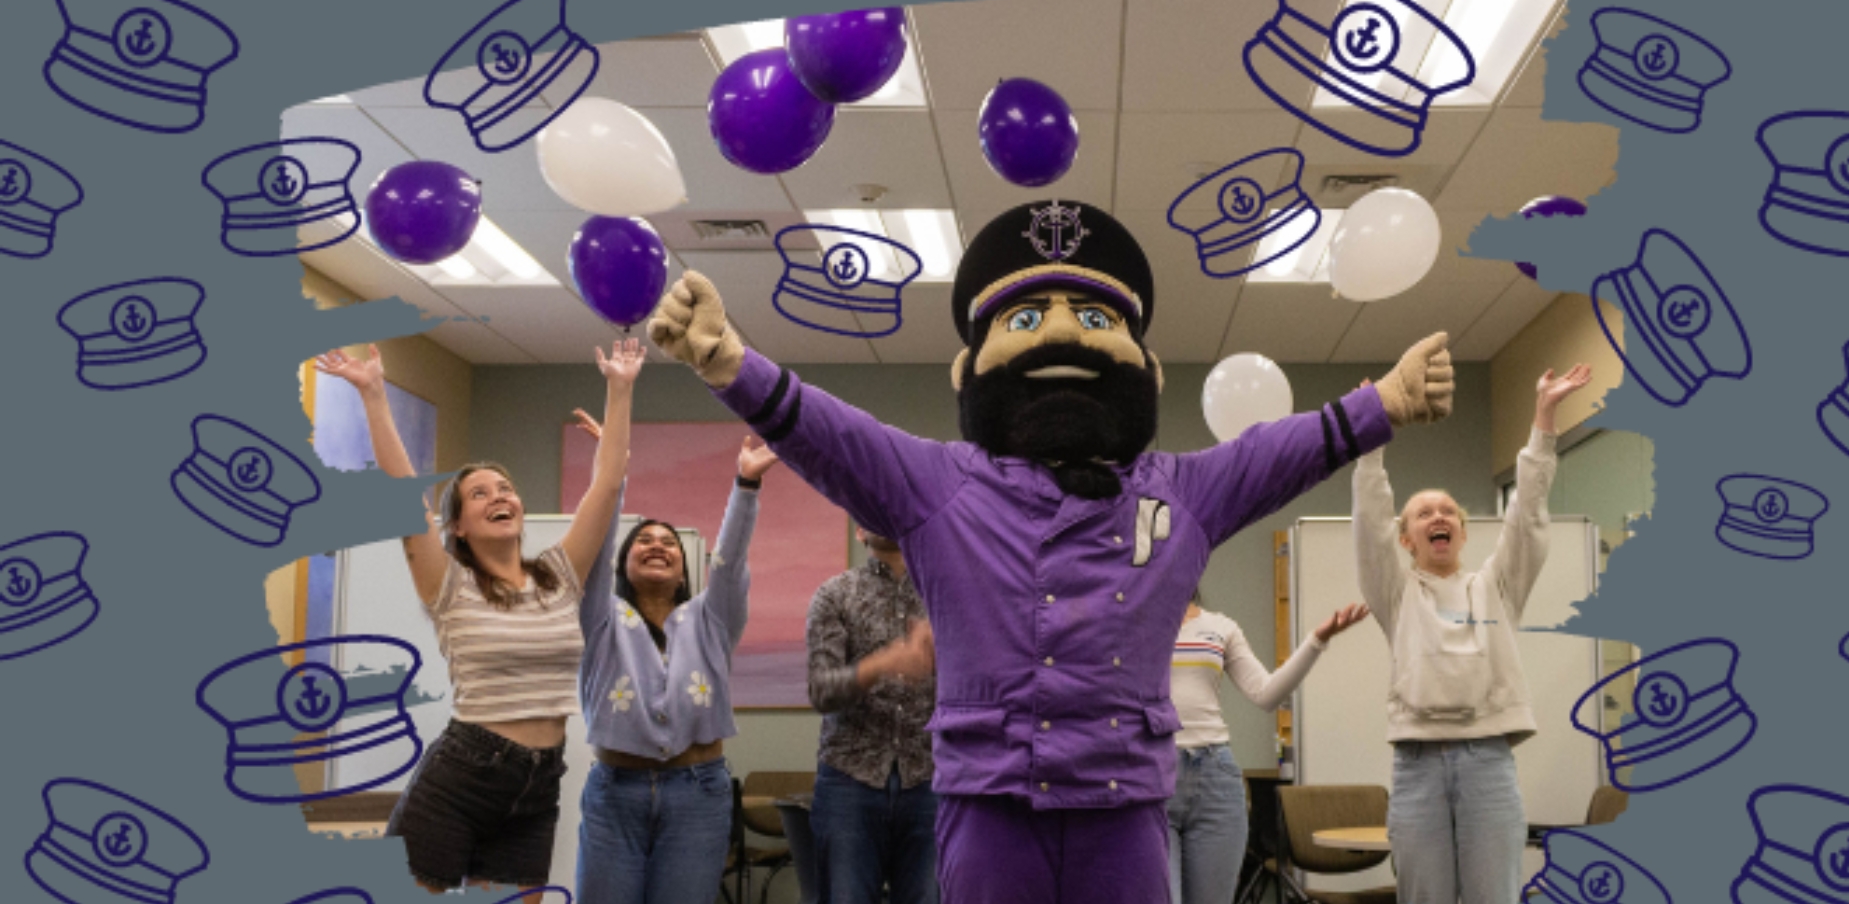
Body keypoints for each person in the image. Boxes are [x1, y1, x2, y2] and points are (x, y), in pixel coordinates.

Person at [645, 199, 1456, 904]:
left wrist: (1379, 403)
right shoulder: (941, 485)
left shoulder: (1180, 490)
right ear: (970, 370)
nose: (1065, 332)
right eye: (1026, 320)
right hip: (991, 812)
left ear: (1151, 371)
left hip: (1125, 810)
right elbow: (832, 435)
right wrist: (729, 364)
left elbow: (1280, 451)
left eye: (1098, 319)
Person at [314, 339, 644, 894]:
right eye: (480, 493)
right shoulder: (449, 585)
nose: (501, 496)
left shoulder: (560, 575)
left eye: (507, 489)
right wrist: (373, 393)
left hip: (540, 784)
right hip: (462, 778)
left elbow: (607, 485)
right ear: (458, 526)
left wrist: (621, 387)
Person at [1353, 363, 1592, 904]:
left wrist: (1544, 418)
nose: (1438, 516)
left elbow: (1527, 514)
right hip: (1416, 768)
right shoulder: (1396, 591)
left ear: (1461, 532)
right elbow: (1370, 523)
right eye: (1423, 513)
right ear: (1409, 540)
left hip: (1488, 762)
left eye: (1448, 512)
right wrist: (1370, 442)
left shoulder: (1497, 586)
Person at [569, 406, 779, 904]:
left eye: (668, 543)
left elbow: (729, 564)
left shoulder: (710, 620)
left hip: (699, 793)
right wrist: (611, 476)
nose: (657, 546)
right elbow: (592, 555)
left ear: (686, 570)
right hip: (614, 793)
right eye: (643, 541)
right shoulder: (601, 617)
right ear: (624, 563)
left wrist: (745, 488)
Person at [1166, 596, 1368, 904]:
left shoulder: (1221, 627)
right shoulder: (1134, 621)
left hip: (1215, 777)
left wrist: (1317, 640)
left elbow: (1266, 694)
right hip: (1155, 776)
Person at [806, 525, 940, 904]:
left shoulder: (943, 593)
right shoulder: (834, 594)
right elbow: (821, 692)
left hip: (931, 777)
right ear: (859, 531)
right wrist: (881, 665)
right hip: (849, 780)